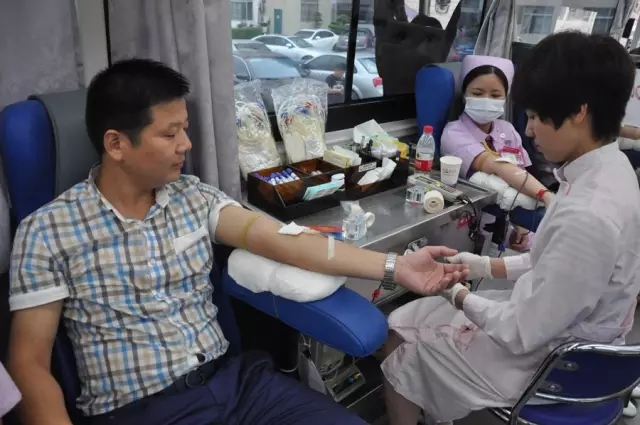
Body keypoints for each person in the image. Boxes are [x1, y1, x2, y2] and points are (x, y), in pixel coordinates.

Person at [7, 58, 467, 425]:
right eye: (169, 133)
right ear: (115, 144)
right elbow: (29, 364)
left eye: (185, 128)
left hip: (240, 387)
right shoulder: (49, 231)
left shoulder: (193, 197)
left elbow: (286, 241)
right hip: (143, 409)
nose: (186, 144)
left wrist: (395, 267)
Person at [381, 31, 640, 425]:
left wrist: (453, 291)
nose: (530, 130)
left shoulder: (587, 214)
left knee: (400, 339)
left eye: (536, 116)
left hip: (550, 364)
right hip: (575, 334)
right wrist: (484, 266)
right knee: (417, 317)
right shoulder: (612, 171)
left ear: (578, 112)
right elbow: (554, 261)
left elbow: (520, 332)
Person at [440, 55, 553, 251]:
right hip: (468, 223)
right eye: (477, 93)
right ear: (464, 95)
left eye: (495, 95)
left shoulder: (507, 129)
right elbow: (495, 165)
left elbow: (523, 173)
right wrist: (545, 195)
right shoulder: (454, 133)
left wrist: (521, 228)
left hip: (506, 224)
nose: (486, 100)